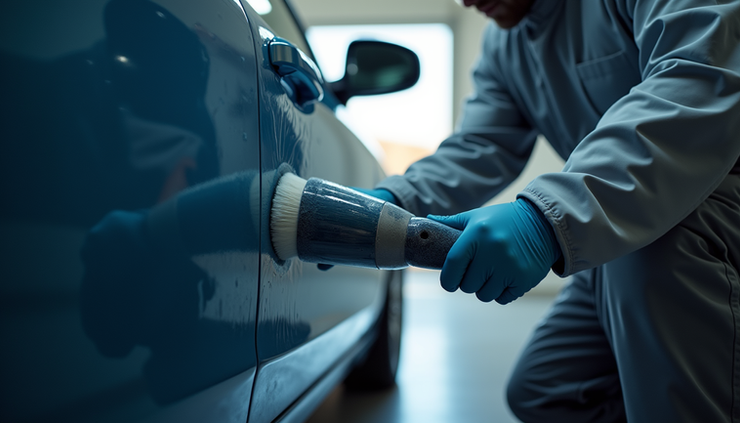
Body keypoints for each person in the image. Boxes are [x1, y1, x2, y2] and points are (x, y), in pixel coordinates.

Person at [359, 0, 740, 421]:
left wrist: (545, 220)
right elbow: (483, 145)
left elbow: (697, 80)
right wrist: (393, 201)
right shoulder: (505, 43)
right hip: (618, 232)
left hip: (706, 212)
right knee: (546, 391)